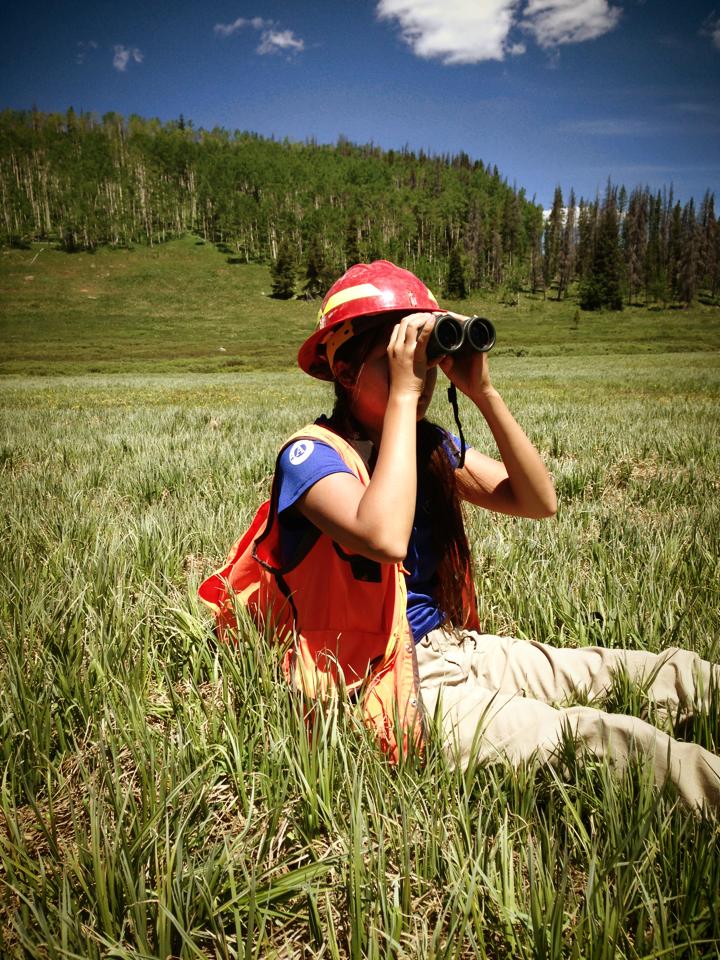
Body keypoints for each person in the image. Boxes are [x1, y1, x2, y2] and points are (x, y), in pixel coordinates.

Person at [200, 260, 720, 810]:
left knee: (653, 671)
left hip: (453, 646)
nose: (420, 381)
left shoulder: (428, 446)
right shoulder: (310, 458)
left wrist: (482, 393)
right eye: (399, 363)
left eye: (427, 363)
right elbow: (383, 535)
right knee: (598, 737)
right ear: (346, 372)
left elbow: (537, 501)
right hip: (388, 683)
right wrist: (404, 396)